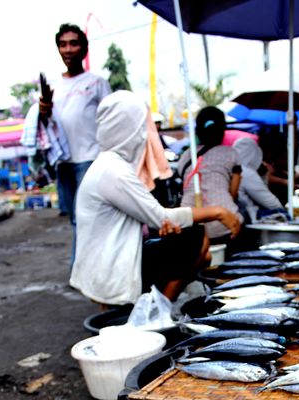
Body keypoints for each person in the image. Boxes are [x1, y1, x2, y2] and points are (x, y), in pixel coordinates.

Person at [70, 91, 240, 307]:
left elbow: (150, 219)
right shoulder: (114, 172)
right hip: (112, 269)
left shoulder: (107, 165)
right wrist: (218, 212)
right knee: (196, 236)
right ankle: (158, 312)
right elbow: (159, 217)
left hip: (106, 263)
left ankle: (155, 305)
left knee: (202, 254)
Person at [39, 23, 111, 261]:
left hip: (90, 159)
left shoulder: (97, 83)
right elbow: (48, 125)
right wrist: (44, 110)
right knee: (75, 218)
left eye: (73, 43)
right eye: (63, 44)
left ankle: (82, 268)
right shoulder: (54, 87)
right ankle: (88, 267)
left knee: (88, 216)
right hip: (64, 162)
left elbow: (111, 119)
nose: (68, 49)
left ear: (84, 48)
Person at [176, 106, 243, 241]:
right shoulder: (231, 153)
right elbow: (233, 193)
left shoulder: (186, 156)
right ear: (223, 131)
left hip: (190, 222)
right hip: (224, 224)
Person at [232, 136, 285, 222]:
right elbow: (271, 203)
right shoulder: (246, 173)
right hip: (247, 219)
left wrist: (263, 175)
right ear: (254, 154)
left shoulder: (232, 168)